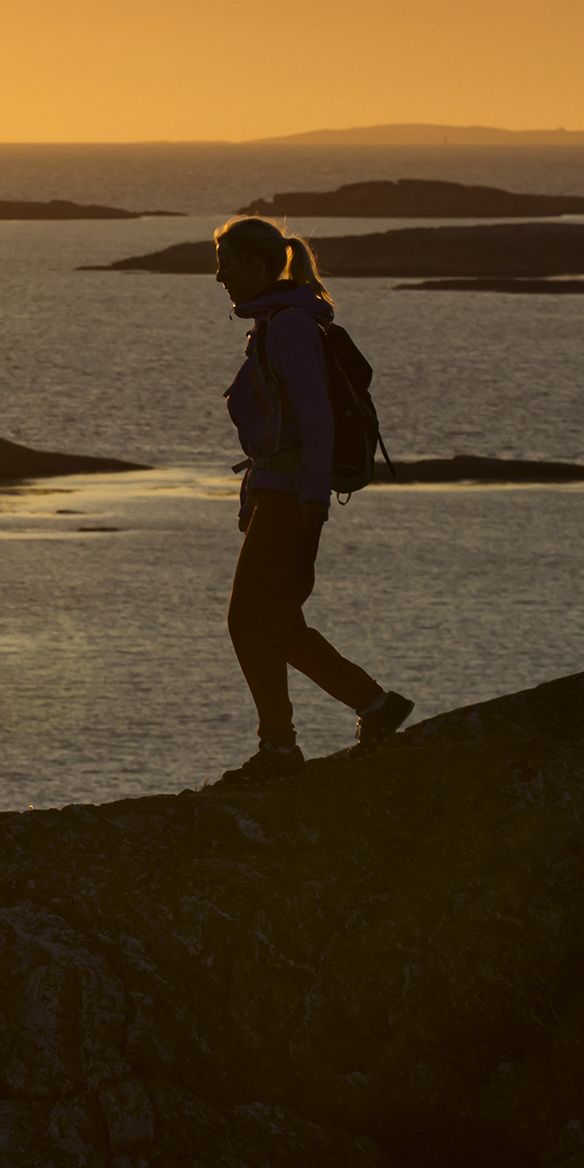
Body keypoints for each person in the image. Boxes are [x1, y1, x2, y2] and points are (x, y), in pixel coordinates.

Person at [211, 216, 412, 784]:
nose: (219, 277)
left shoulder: (289, 327)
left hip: (292, 499)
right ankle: (375, 707)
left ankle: (280, 749)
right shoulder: (279, 323)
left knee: (250, 622)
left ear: (254, 266)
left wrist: (313, 505)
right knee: (275, 621)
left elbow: (317, 418)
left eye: (226, 264)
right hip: (280, 495)